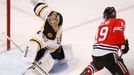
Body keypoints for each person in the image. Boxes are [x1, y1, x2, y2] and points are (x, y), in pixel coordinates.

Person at [23, 0, 71, 75]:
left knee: (61, 56)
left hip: (55, 48)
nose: (52, 17)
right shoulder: (43, 37)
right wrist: (30, 53)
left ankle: (61, 53)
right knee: (40, 57)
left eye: (55, 18)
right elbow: (34, 42)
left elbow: (43, 9)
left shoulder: (51, 17)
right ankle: (33, 70)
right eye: (51, 17)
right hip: (45, 47)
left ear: (58, 23)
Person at [80, 7, 130, 75]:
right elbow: (118, 32)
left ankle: (88, 71)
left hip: (95, 55)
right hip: (109, 55)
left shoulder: (100, 25)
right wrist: (123, 45)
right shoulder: (118, 21)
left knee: (96, 65)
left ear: (106, 15)